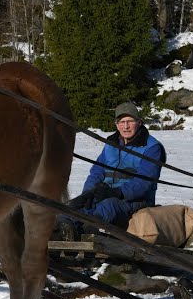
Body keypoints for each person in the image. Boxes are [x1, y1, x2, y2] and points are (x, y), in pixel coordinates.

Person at [54, 101, 165, 239]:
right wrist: (88, 193)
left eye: (130, 121)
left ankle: (80, 231)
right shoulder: (111, 144)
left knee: (108, 206)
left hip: (137, 200)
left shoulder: (152, 147)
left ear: (139, 122)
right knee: (76, 204)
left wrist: (117, 192)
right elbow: (96, 172)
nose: (126, 126)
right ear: (116, 124)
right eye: (122, 122)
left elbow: (144, 183)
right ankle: (61, 227)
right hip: (106, 194)